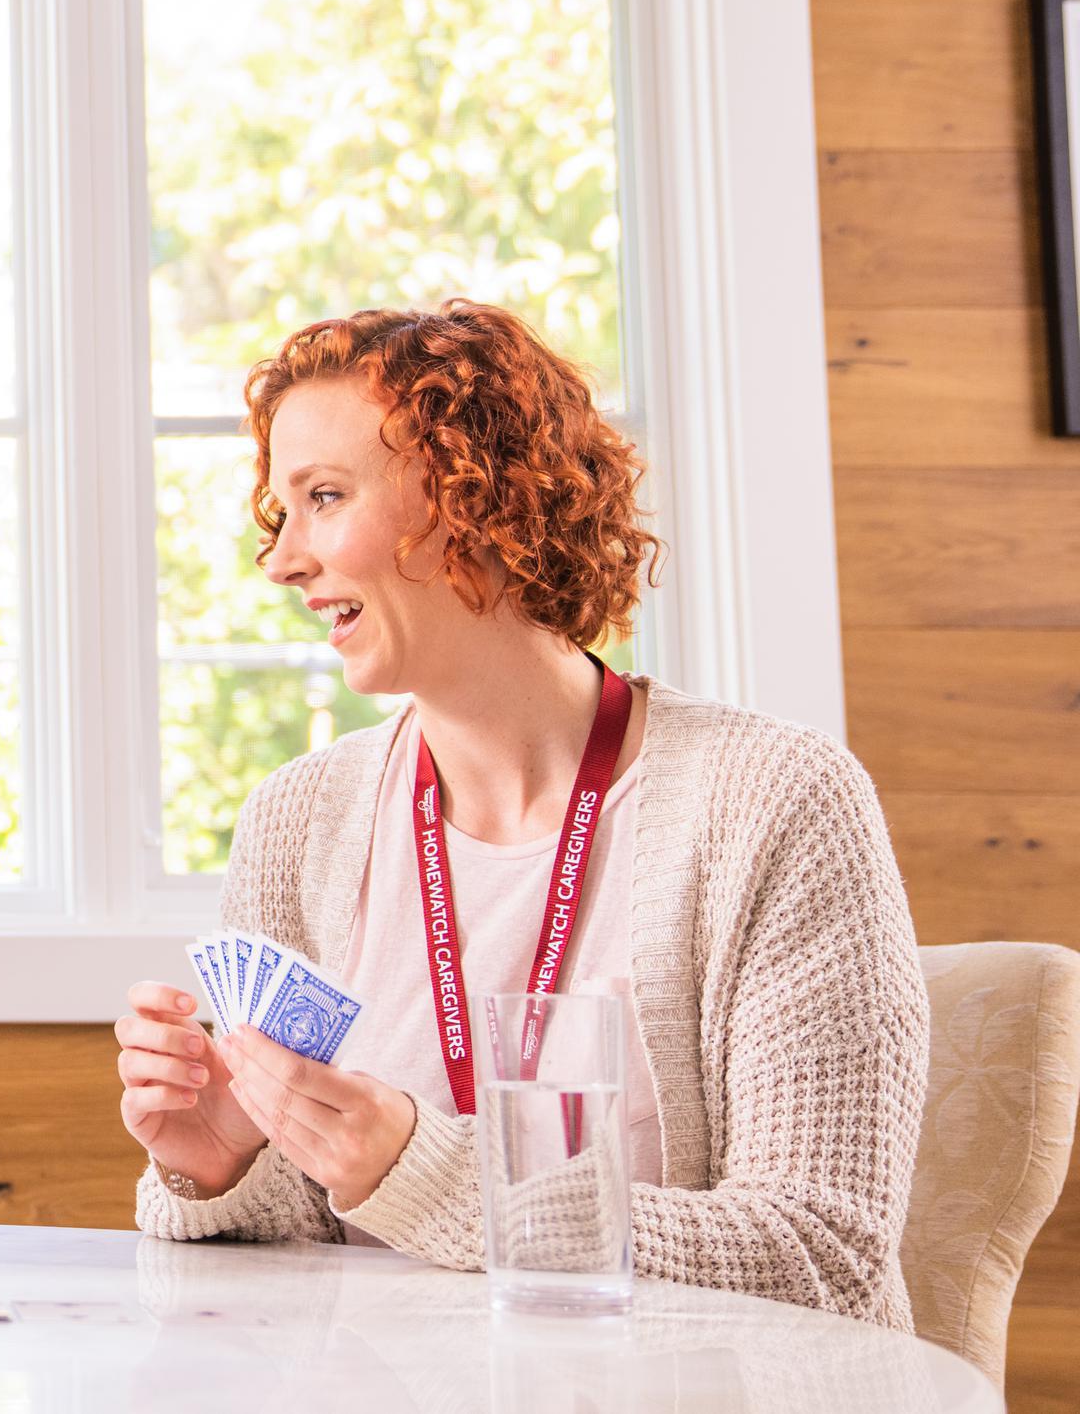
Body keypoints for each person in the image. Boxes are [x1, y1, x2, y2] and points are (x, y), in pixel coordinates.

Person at [116, 301, 928, 1327]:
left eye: (324, 497)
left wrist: (427, 1169)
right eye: (281, 515)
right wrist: (220, 1168)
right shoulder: (297, 820)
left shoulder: (773, 802)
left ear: (476, 497)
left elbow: (822, 1254)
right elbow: (313, 1250)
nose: (281, 562)